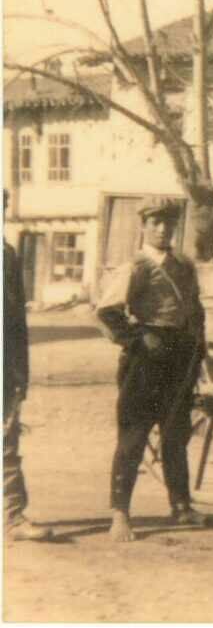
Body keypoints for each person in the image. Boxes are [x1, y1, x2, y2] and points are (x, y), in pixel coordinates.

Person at [95, 197, 208, 542]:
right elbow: (107, 312)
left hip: (180, 357)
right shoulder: (136, 266)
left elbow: (196, 310)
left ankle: (181, 505)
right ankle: (120, 514)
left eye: (168, 223)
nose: (162, 229)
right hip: (145, 360)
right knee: (134, 435)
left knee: (176, 433)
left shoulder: (184, 266)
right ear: (143, 225)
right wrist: (139, 340)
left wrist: (197, 348)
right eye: (155, 222)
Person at [3, 191, 52, 542]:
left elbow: (17, 320)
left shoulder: (8, 256)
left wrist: (22, 373)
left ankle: (11, 517)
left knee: (6, 438)